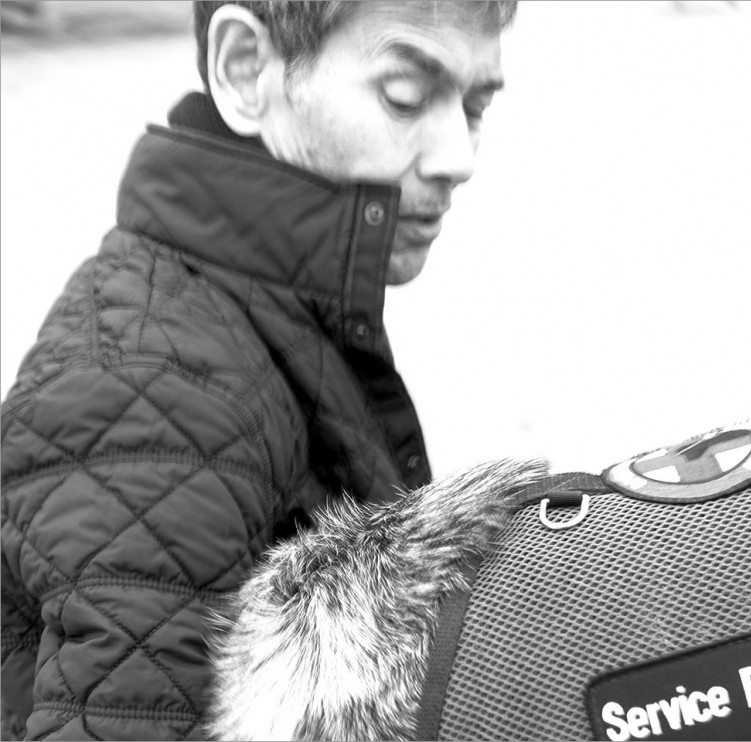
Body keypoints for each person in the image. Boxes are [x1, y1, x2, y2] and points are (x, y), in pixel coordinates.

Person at [0, 1, 514, 738]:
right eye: (405, 96)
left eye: (474, 105)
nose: (456, 156)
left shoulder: (267, 310)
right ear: (245, 67)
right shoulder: (154, 387)